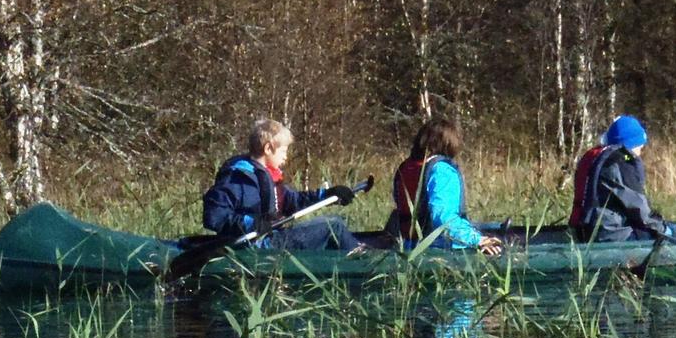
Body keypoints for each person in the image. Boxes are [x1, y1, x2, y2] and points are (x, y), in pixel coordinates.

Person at [202, 118, 362, 251]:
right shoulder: (237, 178)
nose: (286, 157)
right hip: (256, 246)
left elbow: (293, 200)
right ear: (268, 148)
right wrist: (251, 223)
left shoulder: (267, 176)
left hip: (271, 237)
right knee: (334, 226)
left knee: (335, 220)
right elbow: (214, 216)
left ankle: (354, 255)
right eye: (284, 151)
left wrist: (328, 194)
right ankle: (365, 265)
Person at [390, 117, 502, 256]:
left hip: (405, 245)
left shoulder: (406, 168)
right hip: (434, 248)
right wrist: (477, 240)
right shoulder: (441, 171)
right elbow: (443, 219)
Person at [569, 114, 676, 243]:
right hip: (608, 234)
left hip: (583, 230)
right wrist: (664, 229)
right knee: (673, 233)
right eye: (640, 146)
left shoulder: (598, 158)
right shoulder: (620, 163)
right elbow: (639, 209)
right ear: (631, 143)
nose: (641, 150)